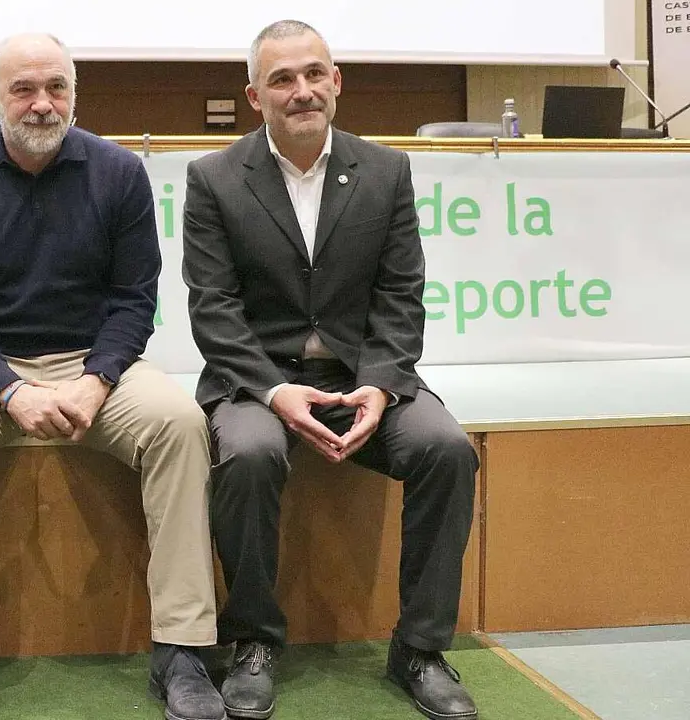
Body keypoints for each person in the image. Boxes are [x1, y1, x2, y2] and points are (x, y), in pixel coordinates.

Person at [0, 32, 225, 720]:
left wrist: (96, 380)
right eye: (23, 89)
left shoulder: (118, 173)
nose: (42, 104)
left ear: (75, 96)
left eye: (56, 88)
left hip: (92, 363)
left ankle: (183, 649)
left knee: (181, 423)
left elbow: (135, 299)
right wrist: (10, 389)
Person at [181, 19, 479, 720]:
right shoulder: (214, 179)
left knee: (446, 449)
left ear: (337, 82)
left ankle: (421, 649)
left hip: (366, 378)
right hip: (260, 380)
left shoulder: (386, 170)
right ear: (255, 96)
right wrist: (277, 391)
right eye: (282, 78)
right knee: (249, 453)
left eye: (315, 73)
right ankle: (254, 641)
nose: (302, 90)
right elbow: (214, 311)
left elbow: (402, 296)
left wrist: (378, 384)